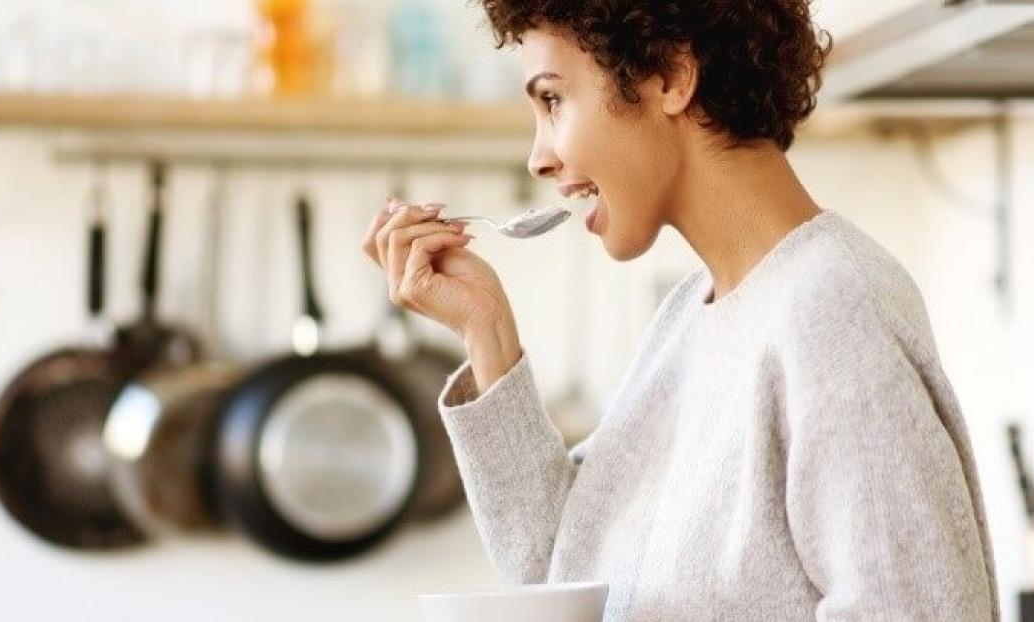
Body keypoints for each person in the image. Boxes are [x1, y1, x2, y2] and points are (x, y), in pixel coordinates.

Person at [360, 0, 999, 619]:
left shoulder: (832, 308)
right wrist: (486, 330)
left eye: (553, 98)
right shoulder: (687, 319)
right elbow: (566, 571)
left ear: (669, 75)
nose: (539, 156)